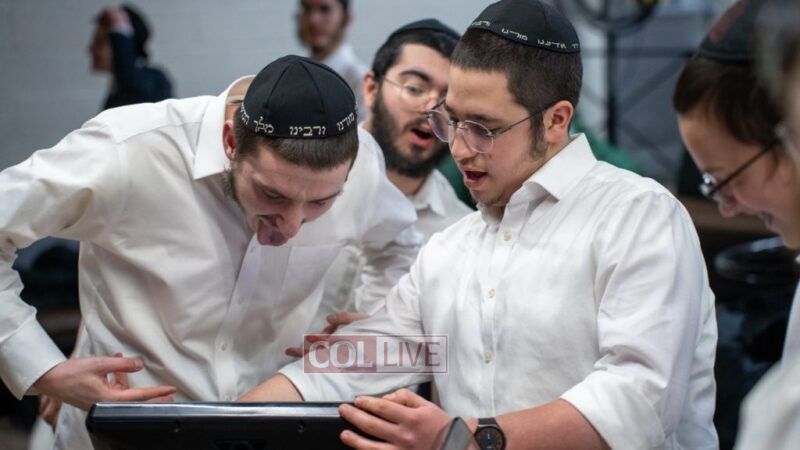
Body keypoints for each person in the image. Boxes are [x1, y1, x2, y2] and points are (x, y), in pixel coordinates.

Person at [241, 1, 719, 449]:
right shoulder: (449, 249)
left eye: (484, 129)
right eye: (451, 121)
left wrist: (465, 439)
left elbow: (640, 399)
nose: (459, 147)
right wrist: (225, 422)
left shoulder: (637, 216)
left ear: (556, 121)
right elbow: (356, 362)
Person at [0, 55, 418, 448]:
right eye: (272, 194)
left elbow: (397, 247)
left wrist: (369, 326)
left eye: (321, 202)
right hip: (124, 432)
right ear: (231, 140)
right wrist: (44, 369)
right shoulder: (130, 150)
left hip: (272, 430)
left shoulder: (362, 166)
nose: (292, 226)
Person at [305, 19, 472, 341]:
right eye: (415, 88)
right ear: (371, 89)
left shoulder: (458, 233)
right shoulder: (300, 179)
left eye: (449, 102)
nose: (431, 109)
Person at [89, 4, 173, 110]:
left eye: (100, 42)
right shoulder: (117, 88)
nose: (91, 48)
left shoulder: (153, 81)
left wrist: (119, 28)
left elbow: (130, 80)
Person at [297, 0, 368, 118]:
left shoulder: (359, 79)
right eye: (307, 8)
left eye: (324, 9)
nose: (313, 20)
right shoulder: (293, 75)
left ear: (346, 18)